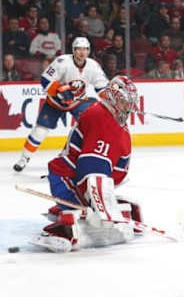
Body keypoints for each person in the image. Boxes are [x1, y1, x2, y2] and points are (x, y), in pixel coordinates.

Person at [30, 75, 141, 253]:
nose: (129, 107)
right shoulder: (100, 118)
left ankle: (69, 208)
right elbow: (90, 171)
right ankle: (63, 226)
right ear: (113, 98)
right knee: (91, 217)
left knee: (103, 212)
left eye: (131, 102)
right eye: (125, 102)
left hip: (81, 179)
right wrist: (99, 209)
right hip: (67, 179)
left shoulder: (114, 120)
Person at [13, 37, 109, 172]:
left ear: (88, 51)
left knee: (89, 129)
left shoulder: (93, 66)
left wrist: (111, 99)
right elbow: (46, 80)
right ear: (73, 50)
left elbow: (102, 87)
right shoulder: (62, 62)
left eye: (85, 49)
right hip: (54, 103)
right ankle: (24, 159)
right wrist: (59, 91)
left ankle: (82, 159)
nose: (82, 52)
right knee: (40, 131)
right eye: (79, 49)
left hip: (77, 102)